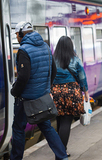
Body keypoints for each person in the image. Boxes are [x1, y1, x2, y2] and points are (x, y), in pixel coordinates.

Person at [10, 21, 68, 160]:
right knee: (47, 128)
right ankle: (62, 156)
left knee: (18, 129)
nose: (17, 38)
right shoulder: (45, 46)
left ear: (21, 34)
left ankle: (16, 158)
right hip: (42, 97)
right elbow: (53, 71)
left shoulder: (24, 50)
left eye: (17, 35)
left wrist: (15, 92)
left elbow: (23, 77)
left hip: (26, 100)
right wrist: (44, 88)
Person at [51, 36, 89, 157]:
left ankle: (60, 150)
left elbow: (48, 77)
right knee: (67, 121)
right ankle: (61, 152)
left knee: (59, 121)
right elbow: (82, 77)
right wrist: (86, 92)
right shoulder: (75, 60)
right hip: (71, 93)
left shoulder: (52, 60)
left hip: (56, 93)